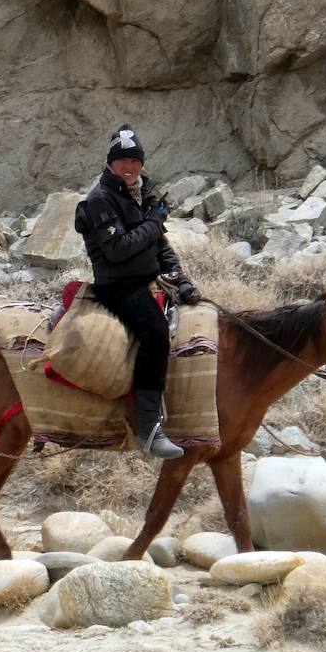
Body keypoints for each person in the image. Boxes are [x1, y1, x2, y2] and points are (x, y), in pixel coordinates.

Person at [73, 124, 201, 459]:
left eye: (135, 161)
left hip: (146, 280)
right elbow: (118, 249)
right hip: (117, 286)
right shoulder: (99, 200)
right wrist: (153, 222)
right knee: (156, 333)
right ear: (110, 164)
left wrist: (181, 280)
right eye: (122, 161)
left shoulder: (143, 195)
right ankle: (148, 428)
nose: (129, 167)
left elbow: (159, 246)